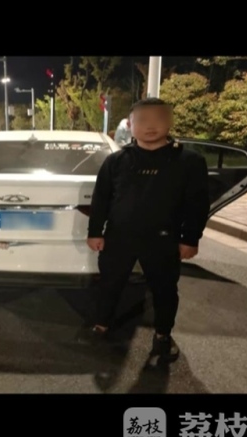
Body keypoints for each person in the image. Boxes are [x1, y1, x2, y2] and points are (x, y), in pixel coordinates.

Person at [78, 98, 210, 362]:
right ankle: (101, 324)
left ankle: (162, 335)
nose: (150, 126)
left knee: (164, 290)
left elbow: (197, 204)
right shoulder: (116, 161)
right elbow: (101, 199)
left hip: (164, 239)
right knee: (109, 284)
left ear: (170, 122)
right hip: (119, 237)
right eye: (143, 120)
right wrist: (95, 232)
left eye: (159, 119)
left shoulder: (189, 161)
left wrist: (190, 239)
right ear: (131, 124)